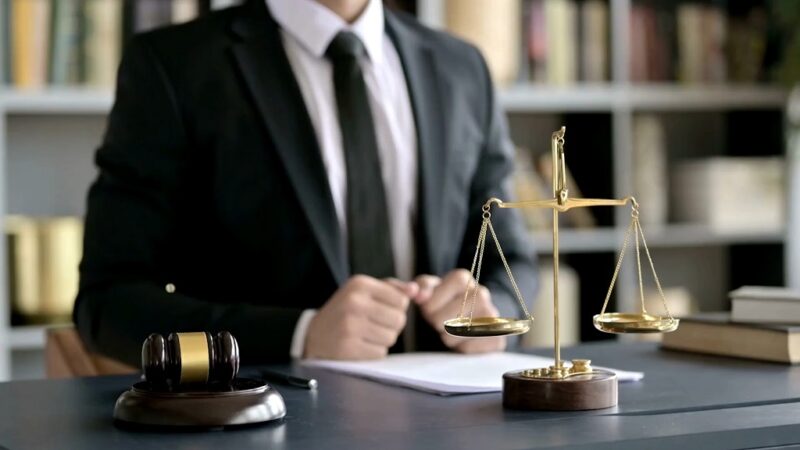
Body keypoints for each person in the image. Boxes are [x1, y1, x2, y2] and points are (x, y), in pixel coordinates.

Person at [74, 0, 537, 366]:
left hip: (455, 429)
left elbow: (514, 264)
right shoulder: (173, 67)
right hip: (264, 429)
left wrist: (489, 314)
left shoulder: (462, 68)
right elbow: (108, 305)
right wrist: (302, 335)